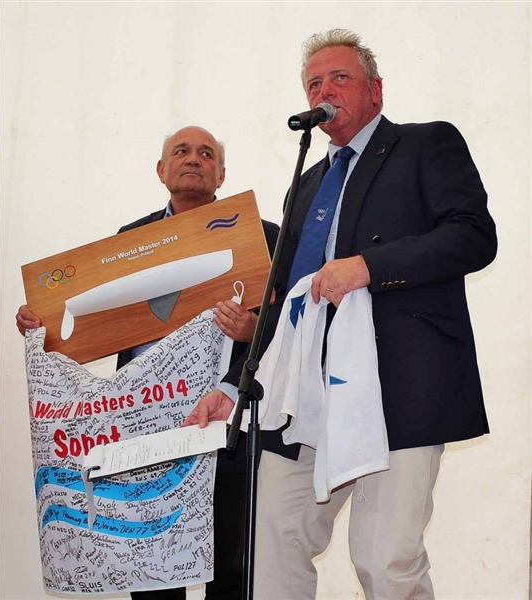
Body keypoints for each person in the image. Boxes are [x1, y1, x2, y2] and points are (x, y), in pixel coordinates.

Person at [183, 30, 498, 599]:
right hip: (303, 395)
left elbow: (474, 236)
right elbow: (284, 302)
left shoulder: (426, 144)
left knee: (385, 561)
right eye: (313, 84)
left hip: (397, 387)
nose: (324, 91)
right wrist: (234, 386)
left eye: (339, 78)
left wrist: (369, 267)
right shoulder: (304, 186)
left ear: (375, 90)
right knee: (270, 545)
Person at [16, 126, 281, 600]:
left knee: (231, 566)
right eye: (182, 151)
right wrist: (41, 327)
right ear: (162, 170)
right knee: (150, 564)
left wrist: (252, 329)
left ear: (222, 174)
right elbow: (89, 321)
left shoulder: (261, 236)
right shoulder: (129, 240)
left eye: (206, 154)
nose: (193, 159)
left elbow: (290, 323)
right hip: (146, 425)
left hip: (225, 421)